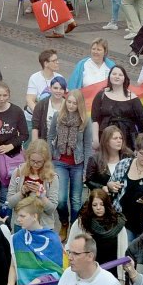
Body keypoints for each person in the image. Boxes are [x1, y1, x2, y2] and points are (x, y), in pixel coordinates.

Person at [48, 88, 94, 228]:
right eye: (69, 102)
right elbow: (50, 137)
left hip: (77, 163)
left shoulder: (85, 120)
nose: (71, 105)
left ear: (79, 104)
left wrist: (86, 170)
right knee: (60, 199)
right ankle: (64, 222)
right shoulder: (58, 116)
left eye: (74, 103)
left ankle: (75, 227)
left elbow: (87, 146)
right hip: (59, 161)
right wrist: (49, 161)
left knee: (76, 200)